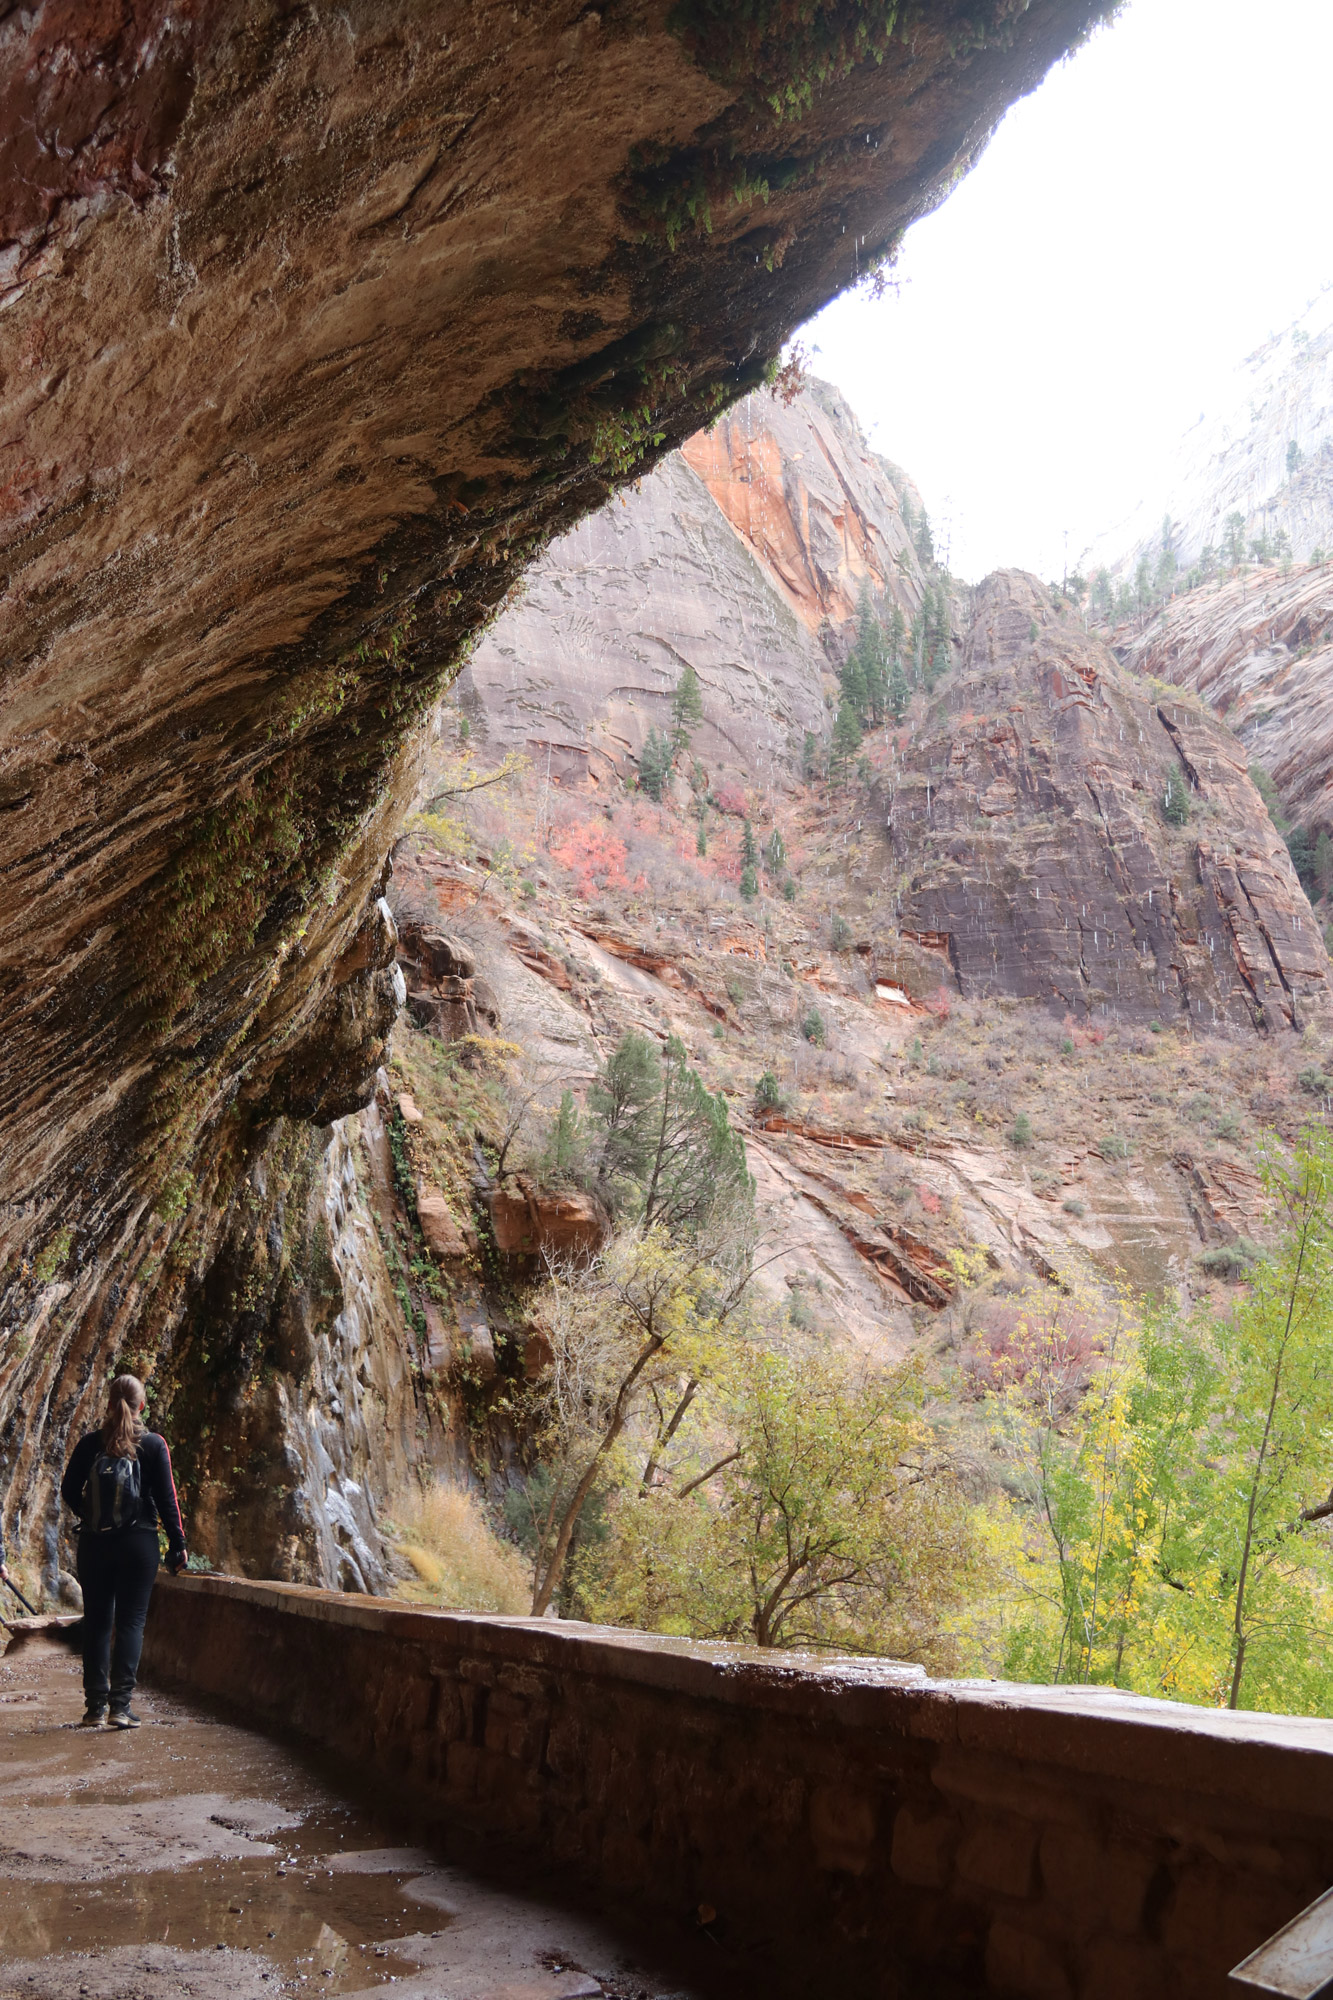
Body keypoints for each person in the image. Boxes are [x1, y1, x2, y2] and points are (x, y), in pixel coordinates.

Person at [61, 1374, 188, 1729]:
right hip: (138, 1544)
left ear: (108, 1404)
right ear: (141, 1406)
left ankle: (94, 1709)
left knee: (98, 1623)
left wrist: (91, 1515)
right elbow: (167, 1501)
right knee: (131, 1621)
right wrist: (178, 1546)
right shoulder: (153, 1444)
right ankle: (121, 1706)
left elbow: (69, 1489)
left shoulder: (89, 1445)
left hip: (95, 1544)